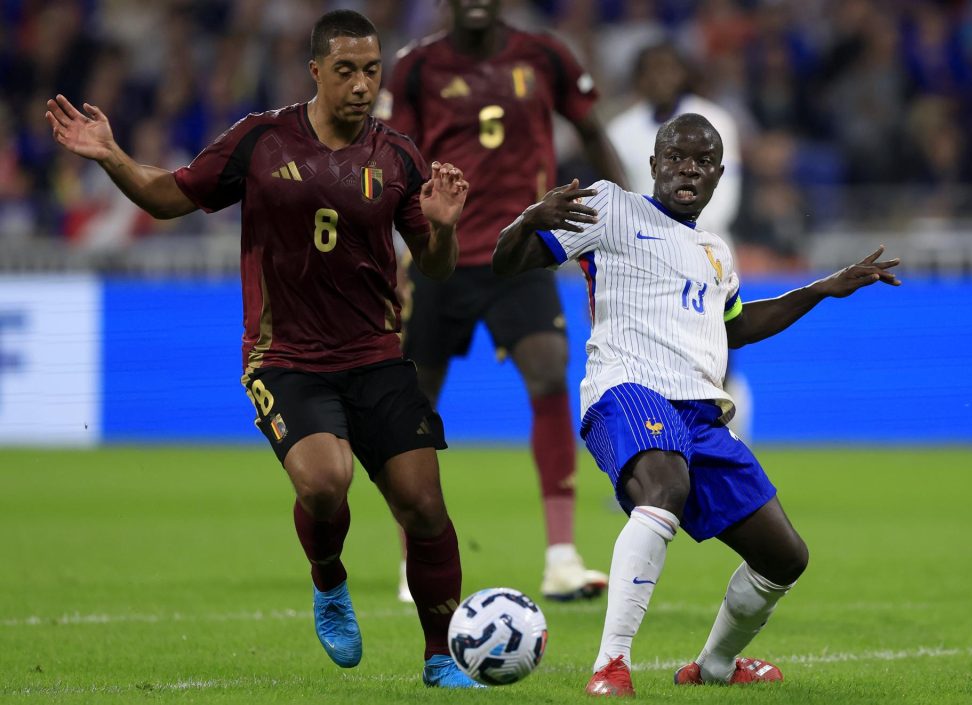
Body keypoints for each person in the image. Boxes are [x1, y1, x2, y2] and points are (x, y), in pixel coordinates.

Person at [45, 10, 482, 689]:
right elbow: (171, 197)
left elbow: (435, 264)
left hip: (375, 354)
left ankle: (440, 658)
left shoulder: (398, 155)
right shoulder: (261, 140)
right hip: (286, 358)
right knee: (324, 481)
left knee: (425, 506)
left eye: (371, 70)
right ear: (315, 72)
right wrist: (113, 157)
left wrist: (446, 230)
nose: (362, 84)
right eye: (346, 71)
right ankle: (328, 577)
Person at [492, 113, 901, 696]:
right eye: (678, 157)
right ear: (654, 164)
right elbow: (507, 263)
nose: (690, 168)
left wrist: (819, 289)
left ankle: (712, 665)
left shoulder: (716, 251)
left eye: (704, 161)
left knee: (784, 557)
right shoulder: (611, 208)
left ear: (719, 175)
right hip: (626, 388)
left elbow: (735, 327)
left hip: (701, 413)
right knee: (665, 487)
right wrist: (529, 219)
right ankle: (611, 665)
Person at [375, 0, 626, 602]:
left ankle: (562, 556)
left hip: (522, 254)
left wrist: (633, 218)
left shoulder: (545, 56)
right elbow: (388, 162)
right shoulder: (414, 67)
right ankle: (416, 556)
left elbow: (593, 132)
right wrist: (391, 255)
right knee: (411, 402)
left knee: (547, 374)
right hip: (439, 254)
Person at [606, 41, 754, 440]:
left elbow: (725, 199)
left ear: (683, 74)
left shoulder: (715, 119)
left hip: (706, 254)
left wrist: (677, 234)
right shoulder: (619, 131)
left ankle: (731, 457)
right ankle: (647, 459)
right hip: (639, 265)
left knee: (716, 365)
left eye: (669, 69)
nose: (661, 79)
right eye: (652, 70)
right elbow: (620, 204)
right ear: (639, 78)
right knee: (643, 365)